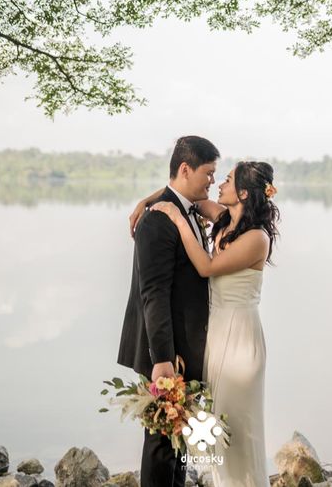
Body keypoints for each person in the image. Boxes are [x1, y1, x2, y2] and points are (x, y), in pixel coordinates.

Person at [129, 159, 280, 487]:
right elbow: (185, 194)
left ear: (242, 193)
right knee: (215, 426)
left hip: (241, 341)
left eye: (225, 180)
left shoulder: (257, 238)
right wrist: (147, 202)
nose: (217, 184)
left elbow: (206, 268)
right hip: (217, 337)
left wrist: (176, 220)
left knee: (239, 431)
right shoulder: (225, 218)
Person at [117, 135, 221, 487]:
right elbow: (154, 292)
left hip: (185, 345)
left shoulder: (189, 209)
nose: (211, 181)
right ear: (185, 169)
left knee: (178, 438)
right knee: (161, 442)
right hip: (165, 349)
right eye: (208, 173)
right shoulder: (158, 219)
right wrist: (162, 356)